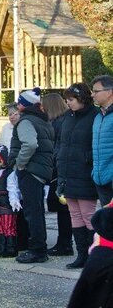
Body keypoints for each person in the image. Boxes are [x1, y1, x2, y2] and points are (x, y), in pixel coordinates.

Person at [9, 87, 55, 264]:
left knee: (32, 212)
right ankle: (39, 247)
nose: (17, 105)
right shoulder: (42, 120)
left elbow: (30, 144)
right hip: (40, 169)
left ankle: (37, 250)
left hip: (31, 170)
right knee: (37, 210)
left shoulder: (26, 121)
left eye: (19, 102)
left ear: (23, 105)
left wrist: (20, 163)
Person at [58, 83, 100, 269]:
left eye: (71, 99)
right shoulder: (68, 117)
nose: (68, 103)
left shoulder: (95, 116)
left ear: (82, 98)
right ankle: (81, 255)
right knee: (74, 215)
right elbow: (61, 142)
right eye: (67, 100)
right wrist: (59, 157)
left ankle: (92, 255)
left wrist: (86, 159)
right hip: (68, 172)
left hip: (84, 172)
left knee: (88, 214)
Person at [42, 92, 73, 257]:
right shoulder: (63, 121)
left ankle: (65, 243)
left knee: (63, 209)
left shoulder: (58, 123)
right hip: (60, 168)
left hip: (59, 170)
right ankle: (64, 242)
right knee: (63, 209)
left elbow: (56, 147)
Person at [92, 75, 113, 207]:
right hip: (100, 179)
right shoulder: (98, 117)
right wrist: (95, 173)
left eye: (96, 91)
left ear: (109, 92)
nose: (92, 95)